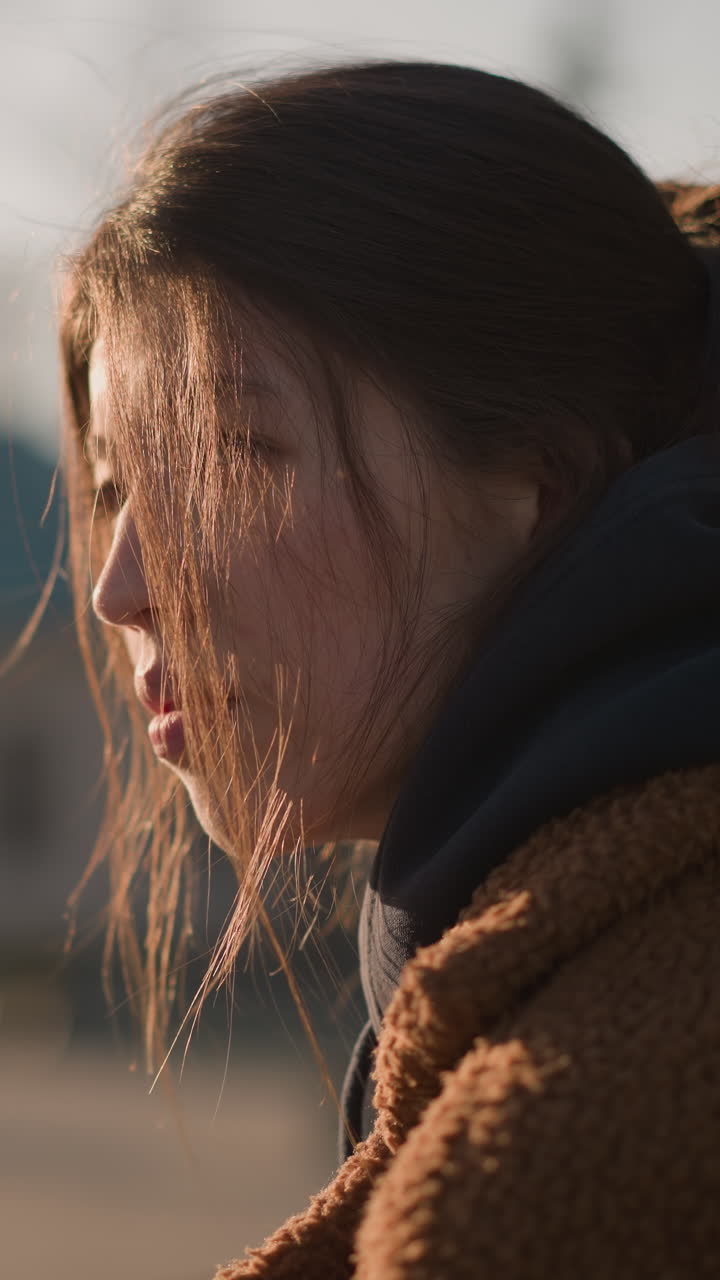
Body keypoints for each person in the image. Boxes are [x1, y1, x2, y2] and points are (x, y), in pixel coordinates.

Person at [57, 59, 720, 1278]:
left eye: (228, 463)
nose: (123, 590)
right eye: (113, 490)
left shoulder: (565, 1151)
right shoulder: (552, 984)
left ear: (535, 482)